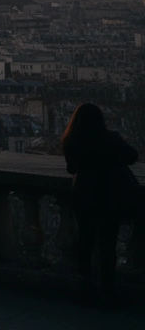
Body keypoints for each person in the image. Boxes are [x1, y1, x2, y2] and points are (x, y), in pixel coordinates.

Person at [61, 102, 139, 306]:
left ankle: (84, 284)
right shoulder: (109, 139)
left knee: (85, 242)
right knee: (107, 245)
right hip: (108, 197)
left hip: (83, 196)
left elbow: (71, 169)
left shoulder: (71, 140)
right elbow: (132, 157)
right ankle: (107, 287)